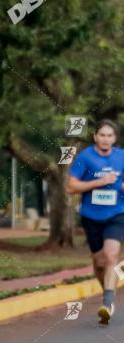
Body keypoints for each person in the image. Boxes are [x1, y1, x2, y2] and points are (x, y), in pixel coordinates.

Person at [67, 119, 124, 324]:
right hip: (91, 216)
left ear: (114, 138)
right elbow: (71, 187)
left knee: (111, 256)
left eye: (110, 136)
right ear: (95, 137)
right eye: (102, 135)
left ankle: (108, 303)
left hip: (117, 214)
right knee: (99, 262)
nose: (106, 139)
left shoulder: (121, 156)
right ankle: (106, 294)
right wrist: (100, 182)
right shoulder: (85, 158)